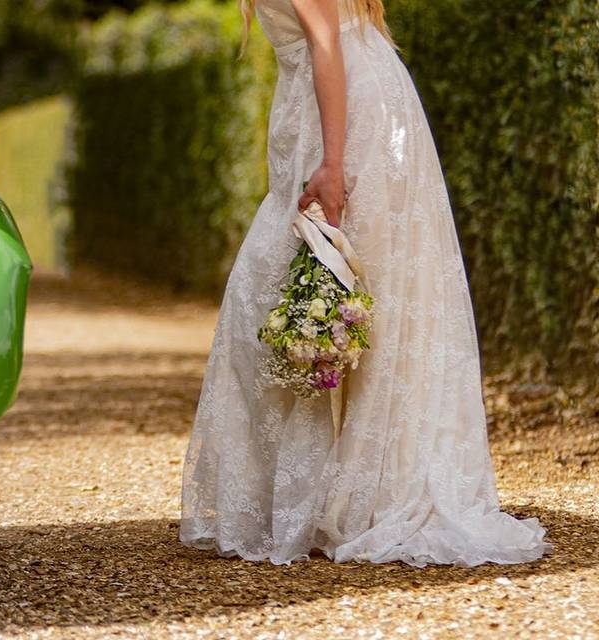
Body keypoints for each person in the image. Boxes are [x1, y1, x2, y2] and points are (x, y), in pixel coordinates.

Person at [179, 0, 552, 566]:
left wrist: (332, 163)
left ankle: (364, 491)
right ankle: (336, 489)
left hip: (349, 114)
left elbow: (325, 43)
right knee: (332, 279)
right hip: (334, 102)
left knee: (323, 278)